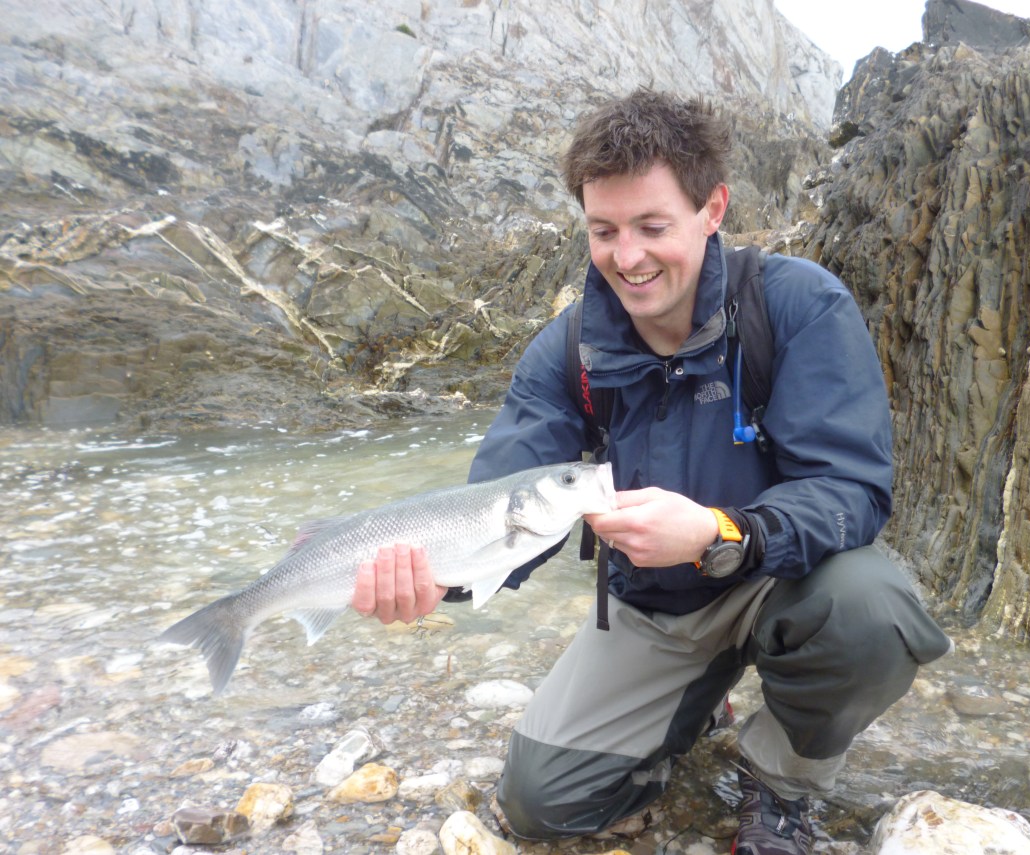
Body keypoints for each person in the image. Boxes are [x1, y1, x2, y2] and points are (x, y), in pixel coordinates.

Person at [352, 88, 952, 854]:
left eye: (652, 226)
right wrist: (441, 578)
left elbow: (852, 491)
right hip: (654, 607)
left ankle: (779, 786)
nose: (626, 257)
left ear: (714, 209)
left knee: (873, 607)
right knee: (542, 803)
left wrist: (719, 531)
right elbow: (501, 503)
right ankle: (697, 706)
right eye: (603, 230)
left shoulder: (798, 306)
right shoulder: (566, 352)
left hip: (780, 577)